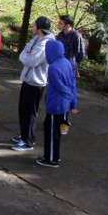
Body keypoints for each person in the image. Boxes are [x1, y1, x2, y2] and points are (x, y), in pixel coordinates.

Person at [12, 16, 55, 152]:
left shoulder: (46, 43)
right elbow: (24, 53)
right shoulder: (37, 39)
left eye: (34, 25)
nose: (32, 27)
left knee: (30, 112)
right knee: (23, 109)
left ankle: (28, 140)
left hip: (36, 82)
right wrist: (27, 56)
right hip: (28, 79)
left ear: (40, 28)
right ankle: (24, 135)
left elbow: (32, 61)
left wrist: (27, 57)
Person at [38, 40, 78, 168]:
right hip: (64, 105)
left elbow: (59, 87)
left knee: (51, 132)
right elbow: (72, 84)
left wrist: (70, 97)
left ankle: (51, 159)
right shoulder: (66, 63)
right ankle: (52, 155)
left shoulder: (53, 68)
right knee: (55, 132)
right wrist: (73, 102)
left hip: (55, 104)